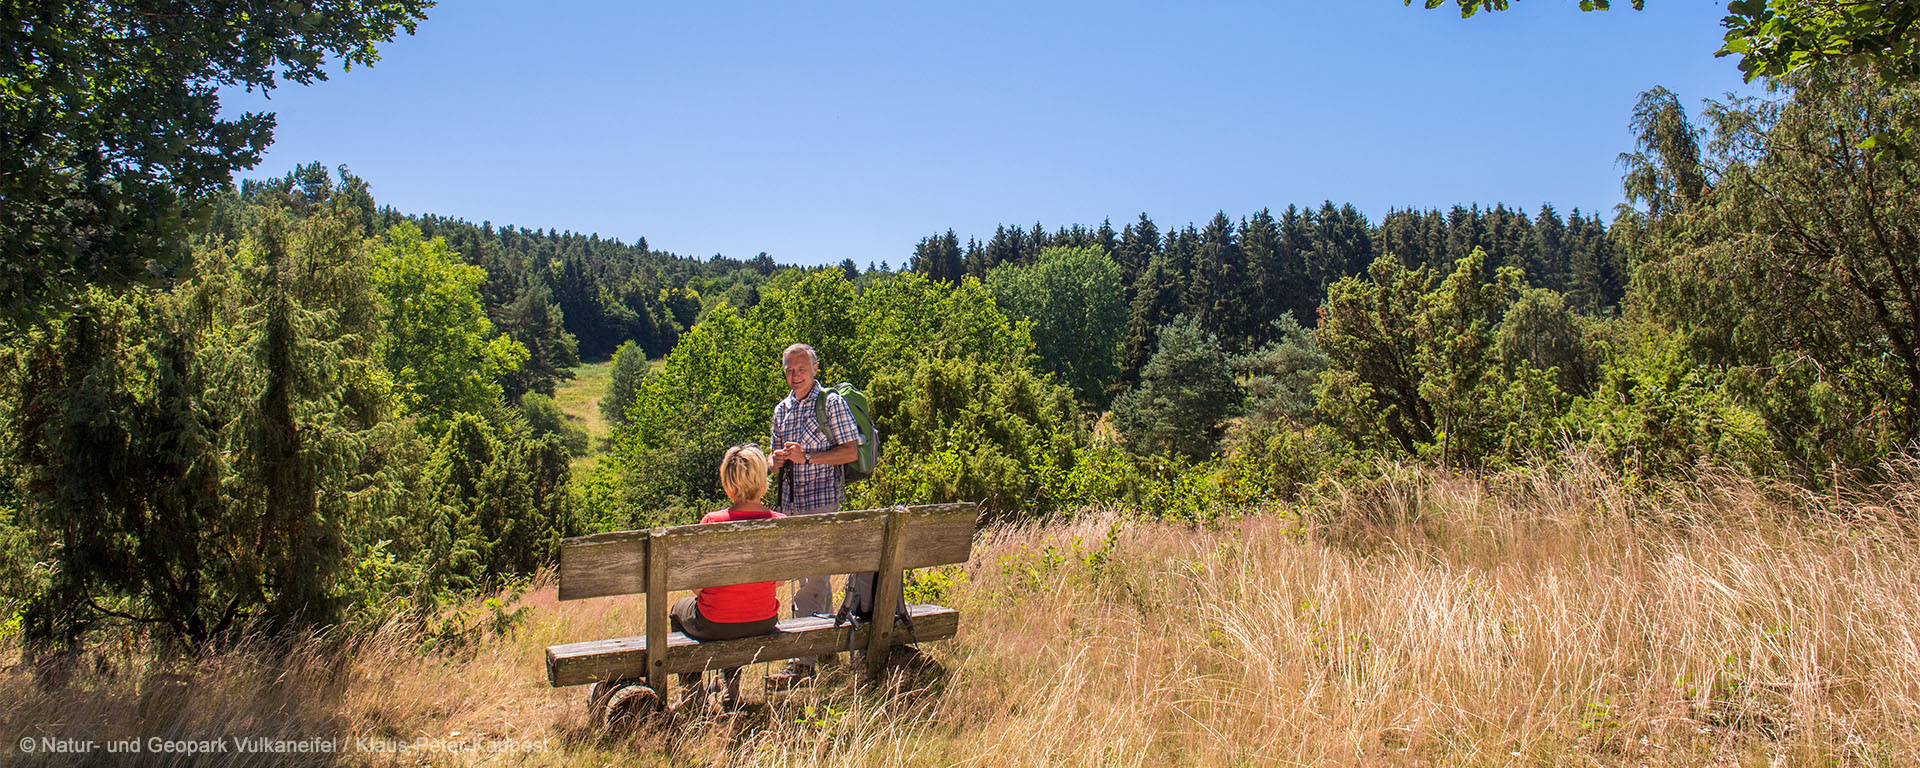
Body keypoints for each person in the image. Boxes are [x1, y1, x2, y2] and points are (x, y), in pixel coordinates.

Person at [765, 342, 865, 687]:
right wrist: (774, 461)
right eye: (789, 370)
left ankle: (800, 664)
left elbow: (850, 451)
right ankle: (827, 651)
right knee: (813, 578)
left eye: (801, 369)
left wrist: (808, 457)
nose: (794, 376)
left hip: (822, 500)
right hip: (791, 504)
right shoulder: (782, 410)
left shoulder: (831, 403)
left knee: (808, 581)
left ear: (814, 370)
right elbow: (773, 458)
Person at [670, 443, 784, 709]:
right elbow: (779, 580)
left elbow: (695, 580)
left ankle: (692, 693)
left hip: (714, 622)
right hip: (764, 620)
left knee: (678, 610)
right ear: (763, 482)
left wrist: (709, 595)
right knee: (739, 608)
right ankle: (731, 692)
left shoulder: (712, 521)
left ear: (728, 485)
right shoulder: (779, 521)